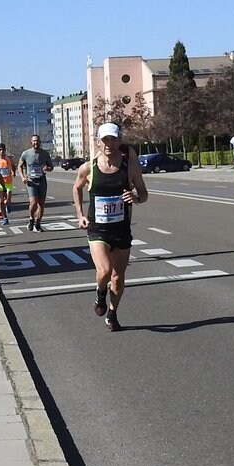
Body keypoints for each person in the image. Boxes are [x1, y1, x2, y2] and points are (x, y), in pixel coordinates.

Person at [72, 122, 148, 332]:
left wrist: (135, 197)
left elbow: (144, 193)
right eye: (105, 140)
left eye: (113, 139)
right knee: (105, 271)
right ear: (98, 142)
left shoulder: (129, 167)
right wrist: (79, 215)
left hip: (121, 229)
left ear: (119, 141)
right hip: (98, 229)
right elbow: (76, 188)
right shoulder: (88, 168)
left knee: (118, 276)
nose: (109, 144)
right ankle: (99, 293)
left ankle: (112, 313)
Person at [18, 134, 53, 231]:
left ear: (40, 142)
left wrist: (48, 168)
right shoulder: (26, 153)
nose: (35, 143)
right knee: (33, 203)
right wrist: (22, 177)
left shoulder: (45, 154)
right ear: (31, 142)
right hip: (31, 181)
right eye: (34, 141)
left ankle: (38, 223)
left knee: (41, 204)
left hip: (41, 181)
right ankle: (31, 219)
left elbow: (51, 167)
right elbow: (19, 166)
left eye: (37, 141)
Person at [0, 143, 15, 225]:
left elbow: (12, 166)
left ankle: (9, 204)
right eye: (0, 150)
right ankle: (5, 218)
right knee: (1, 201)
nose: (2, 151)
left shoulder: (8, 159)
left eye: (3, 150)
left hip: (8, 182)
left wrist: (13, 172)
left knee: (7, 200)